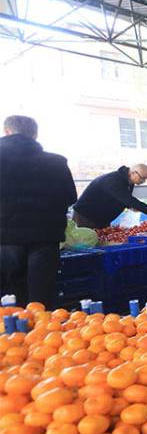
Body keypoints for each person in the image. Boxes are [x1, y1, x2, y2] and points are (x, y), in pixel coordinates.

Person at [0, 115, 77, 307]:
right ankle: (42, 333)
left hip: (5, 238)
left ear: (7, 131)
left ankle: (13, 333)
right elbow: (71, 198)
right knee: (42, 295)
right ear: (35, 135)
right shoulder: (57, 162)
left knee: (10, 296)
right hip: (46, 238)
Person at [73, 164, 147, 228]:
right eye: (142, 178)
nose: (143, 181)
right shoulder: (114, 180)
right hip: (85, 216)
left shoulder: (128, 182)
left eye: (146, 179)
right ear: (133, 172)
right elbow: (127, 199)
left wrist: (132, 207)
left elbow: (122, 199)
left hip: (100, 217)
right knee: (86, 242)